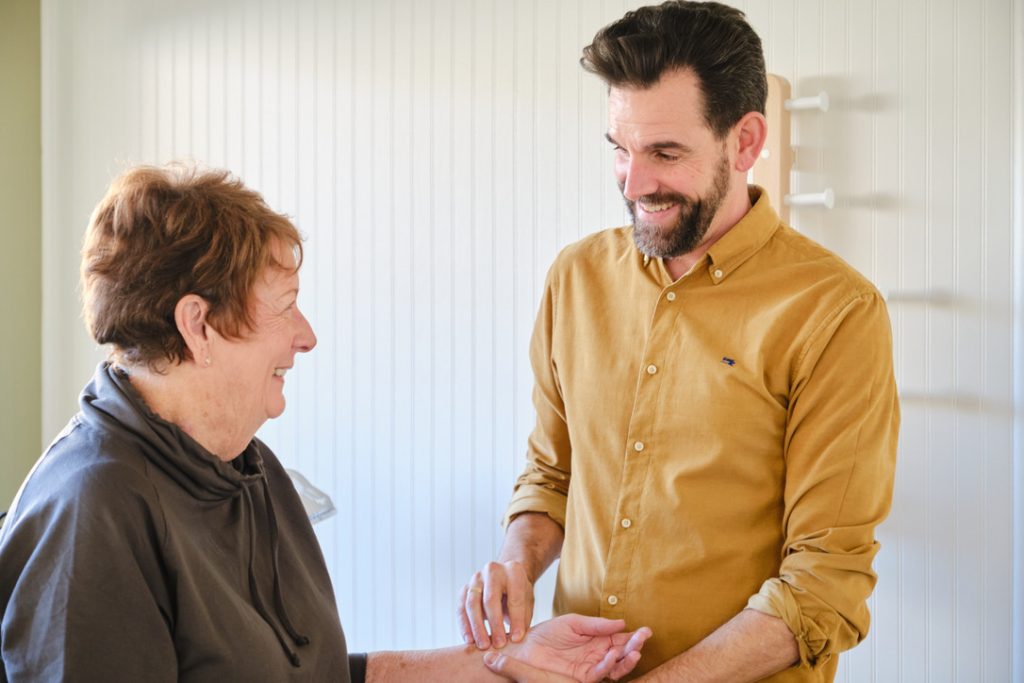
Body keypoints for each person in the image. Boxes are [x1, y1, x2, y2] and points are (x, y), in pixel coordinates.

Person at [0, 165, 651, 682]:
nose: (306, 337)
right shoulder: (90, 511)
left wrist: (505, 664)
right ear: (198, 325)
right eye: (285, 308)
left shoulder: (247, 465)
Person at [458, 2, 900, 681]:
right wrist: (517, 562)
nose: (634, 184)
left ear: (745, 141)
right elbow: (552, 475)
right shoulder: (575, 277)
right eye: (618, 148)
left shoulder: (835, 311)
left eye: (665, 153)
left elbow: (824, 583)